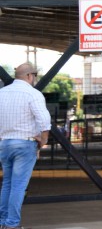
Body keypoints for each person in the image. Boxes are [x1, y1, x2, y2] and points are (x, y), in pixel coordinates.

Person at [0, 63, 51, 229]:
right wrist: (42, 142)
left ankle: (3, 222)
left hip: (5, 144)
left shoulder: (1, 93)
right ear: (30, 76)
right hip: (25, 144)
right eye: (35, 76)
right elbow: (44, 122)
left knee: (7, 183)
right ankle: (12, 224)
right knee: (18, 186)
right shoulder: (33, 94)